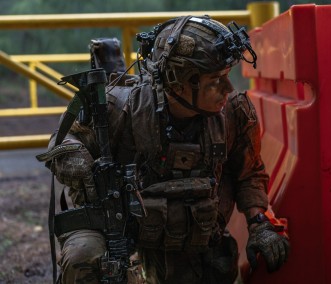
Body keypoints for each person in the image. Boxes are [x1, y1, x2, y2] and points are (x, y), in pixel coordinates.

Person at [44, 15, 290, 284]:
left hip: (193, 238)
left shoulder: (233, 115)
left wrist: (260, 224)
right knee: (85, 256)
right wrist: (74, 159)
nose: (228, 88)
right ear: (177, 80)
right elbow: (66, 138)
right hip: (125, 233)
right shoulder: (119, 109)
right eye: (215, 80)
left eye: (227, 76)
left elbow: (248, 174)